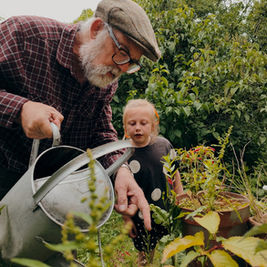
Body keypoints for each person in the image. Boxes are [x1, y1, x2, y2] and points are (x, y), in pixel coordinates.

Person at [0, 0, 162, 230]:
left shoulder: (104, 80)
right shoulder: (25, 36)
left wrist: (121, 171)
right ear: (96, 29)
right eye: (123, 52)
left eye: (132, 62)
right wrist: (20, 109)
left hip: (56, 192)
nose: (123, 68)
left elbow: (101, 132)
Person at [121, 99, 183, 266]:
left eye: (143, 123)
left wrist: (181, 196)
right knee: (146, 250)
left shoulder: (163, 146)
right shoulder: (124, 154)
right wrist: (127, 218)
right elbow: (122, 192)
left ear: (153, 126)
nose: (138, 128)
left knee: (171, 246)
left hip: (166, 209)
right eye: (132, 123)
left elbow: (175, 172)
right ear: (125, 128)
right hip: (140, 216)